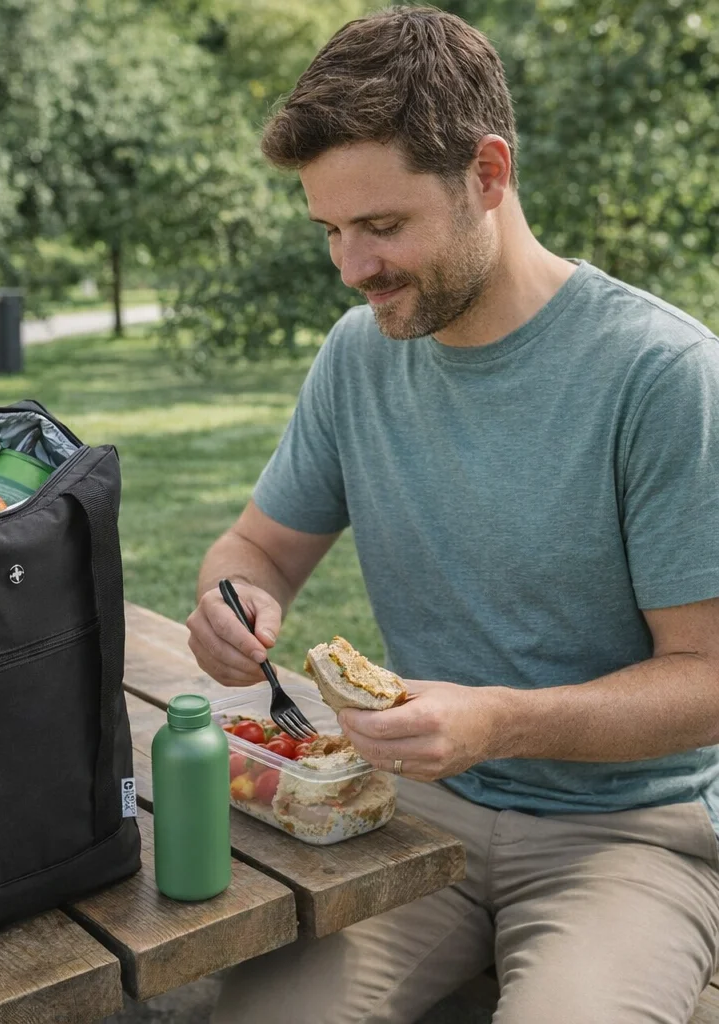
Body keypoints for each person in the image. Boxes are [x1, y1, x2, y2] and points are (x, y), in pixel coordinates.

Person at [185, 6, 719, 1023]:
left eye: (381, 226)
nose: (352, 267)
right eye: (331, 230)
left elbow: (707, 678)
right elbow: (257, 547)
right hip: (404, 811)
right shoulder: (356, 354)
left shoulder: (662, 375)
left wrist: (499, 722)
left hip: (627, 834)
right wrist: (235, 596)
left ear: (486, 173)